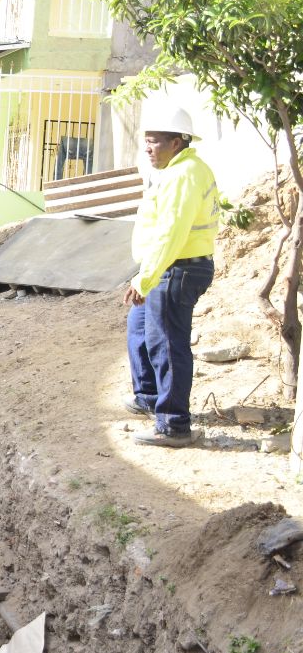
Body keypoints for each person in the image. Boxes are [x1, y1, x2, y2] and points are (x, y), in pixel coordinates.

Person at [124, 107, 218, 448]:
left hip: (178, 268)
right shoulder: (176, 170)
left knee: (167, 344)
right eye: (145, 142)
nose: (148, 148)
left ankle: (174, 424)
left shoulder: (184, 175)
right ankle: (150, 397)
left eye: (154, 142)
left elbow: (171, 234)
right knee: (139, 329)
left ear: (176, 142)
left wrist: (145, 278)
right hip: (166, 267)